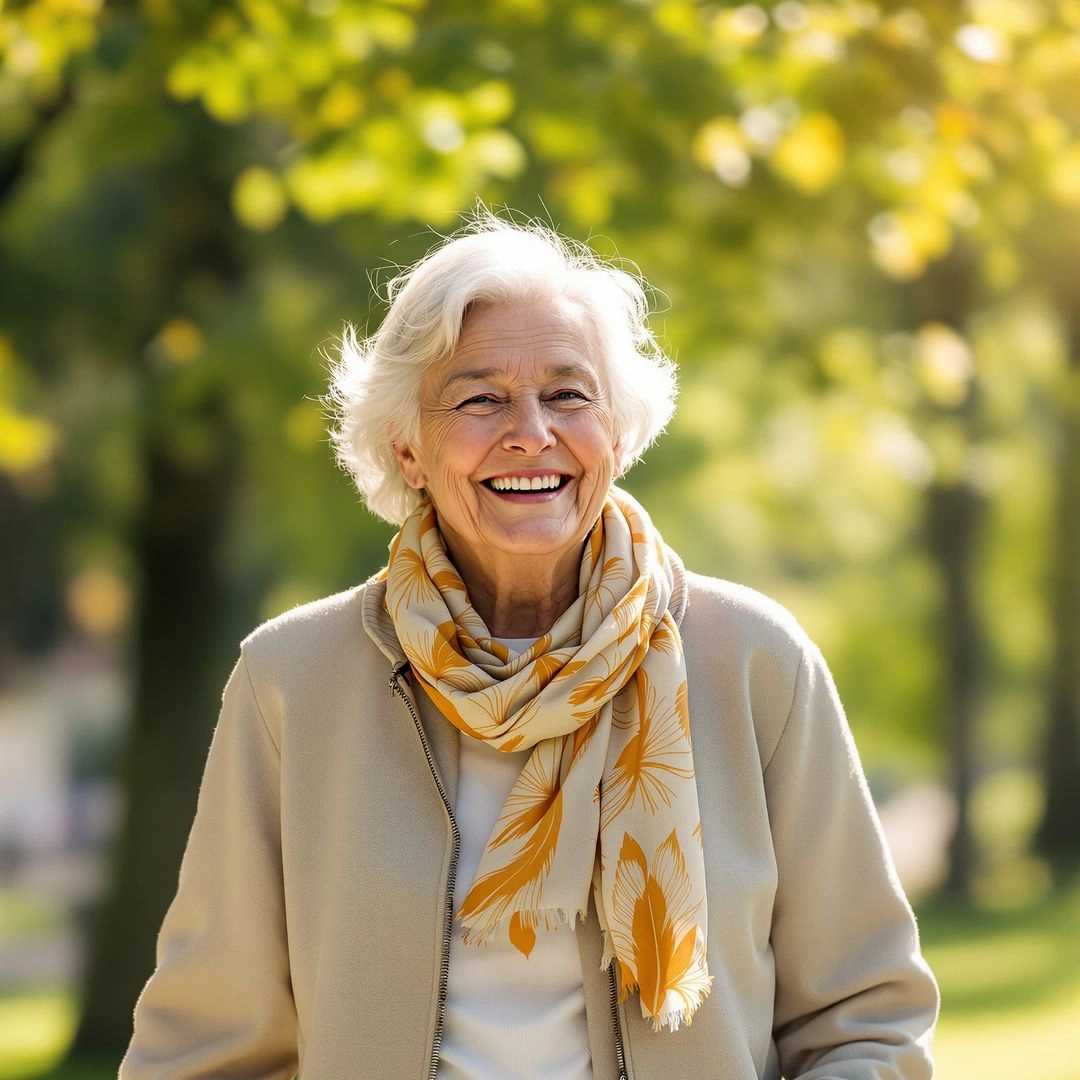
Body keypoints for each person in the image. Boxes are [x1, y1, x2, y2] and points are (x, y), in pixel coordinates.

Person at [120, 214, 938, 1079]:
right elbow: (206, 1048)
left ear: (617, 433)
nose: (532, 433)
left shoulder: (753, 664)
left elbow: (864, 1017)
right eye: (480, 398)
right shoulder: (292, 683)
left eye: (569, 394)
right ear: (408, 449)